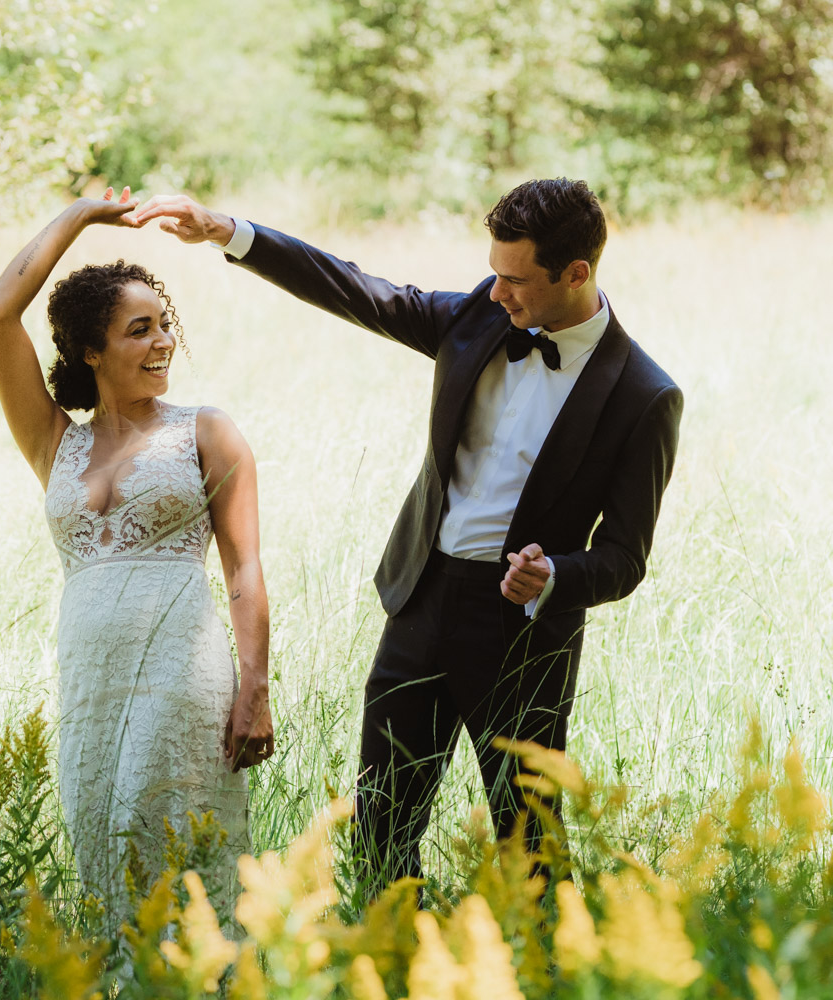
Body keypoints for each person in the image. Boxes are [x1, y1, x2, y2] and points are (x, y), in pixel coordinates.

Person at [132, 179, 683, 895]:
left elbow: (625, 556)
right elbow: (358, 290)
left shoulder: (644, 394)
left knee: (529, 843)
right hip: (420, 602)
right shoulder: (477, 321)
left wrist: (556, 578)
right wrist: (227, 231)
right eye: (495, 272)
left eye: (516, 281)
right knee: (381, 826)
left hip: (524, 636)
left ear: (575, 274)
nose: (497, 294)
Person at [0, 188, 273, 924]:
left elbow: (244, 570)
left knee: (182, 870)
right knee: (104, 865)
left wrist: (255, 688)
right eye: (139, 330)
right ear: (90, 350)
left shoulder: (206, 432)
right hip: (89, 683)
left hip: (182, 676)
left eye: (164, 325)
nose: (164, 342)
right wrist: (80, 215)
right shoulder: (54, 441)